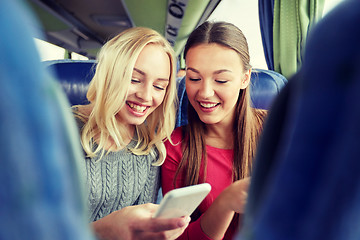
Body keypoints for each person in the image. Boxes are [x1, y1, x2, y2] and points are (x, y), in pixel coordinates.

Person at [72, 27, 189, 239]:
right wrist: (101, 230)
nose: (146, 96)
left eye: (159, 86)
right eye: (134, 80)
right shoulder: (60, 132)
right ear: (110, 74)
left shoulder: (149, 147)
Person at [162, 21, 267, 240]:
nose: (205, 93)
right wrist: (227, 202)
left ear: (244, 78)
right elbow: (178, 236)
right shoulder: (175, 147)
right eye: (194, 78)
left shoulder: (278, 128)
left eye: (220, 80)